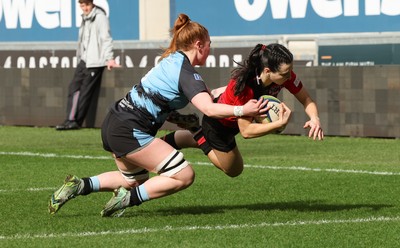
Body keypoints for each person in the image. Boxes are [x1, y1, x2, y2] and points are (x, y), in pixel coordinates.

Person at [48, 14, 267, 217]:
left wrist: (239, 90)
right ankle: (126, 200)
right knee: (184, 175)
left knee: (134, 180)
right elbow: (208, 108)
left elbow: (209, 95)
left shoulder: (172, 60)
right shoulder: (187, 73)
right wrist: (243, 110)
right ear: (199, 44)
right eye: (209, 44)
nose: (211, 48)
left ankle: (79, 185)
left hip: (116, 123)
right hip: (129, 130)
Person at [163, 43, 324, 177]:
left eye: (290, 71)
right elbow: (246, 131)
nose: (290, 77)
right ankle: (198, 133)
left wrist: (315, 118)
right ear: (267, 71)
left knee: (230, 163)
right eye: (285, 74)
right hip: (218, 126)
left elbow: (306, 99)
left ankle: (186, 133)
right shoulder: (247, 87)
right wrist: (278, 124)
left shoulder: (282, 74)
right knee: (233, 170)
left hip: (231, 124)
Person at [56, 0, 120, 130]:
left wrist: (109, 58)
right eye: (82, 5)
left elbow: (106, 39)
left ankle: (75, 122)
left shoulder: (100, 17)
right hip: (84, 61)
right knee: (73, 89)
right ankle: (70, 119)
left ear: (92, 4)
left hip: (95, 62)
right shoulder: (85, 18)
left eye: (86, 5)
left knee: (85, 93)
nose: (84, 8)